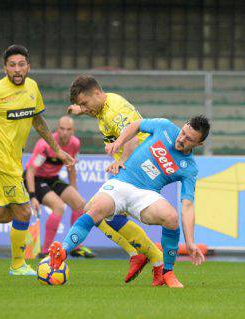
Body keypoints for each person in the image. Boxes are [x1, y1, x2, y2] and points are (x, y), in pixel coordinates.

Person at [49, 116, 210, 288]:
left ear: (198, 144)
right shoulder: (165, 127)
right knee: (95, 209)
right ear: (183, 125)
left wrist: (190, 242)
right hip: (122, 182)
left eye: (189, 139)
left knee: (171, 217)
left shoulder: (190, 168)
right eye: (183, 132)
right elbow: (136, 125)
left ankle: (167, 272)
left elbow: (187, 205)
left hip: (147, 194)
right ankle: (62, 252)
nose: (181, 139)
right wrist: (118, 144)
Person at [0, 44, 75, 276]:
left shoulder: (32, 87)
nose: (17, 69)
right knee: (23, 212)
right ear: (5, 69)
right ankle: (18, 265)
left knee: (5, 215)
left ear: (28, 66)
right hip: (0, 162)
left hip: (14, 161)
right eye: (12, 65)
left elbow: (37, 120)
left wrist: (57, 150)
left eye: (21, 64)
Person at [67, 75, 164, 284]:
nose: (85, 108)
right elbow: (95, 109)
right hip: (137, 163)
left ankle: (151, 257)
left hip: (140, 164)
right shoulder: (102, 106)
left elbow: (132, 137)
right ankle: (149, 259)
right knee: (102, 213)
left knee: (95, 210)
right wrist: (80, 109)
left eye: (84, 103)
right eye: (81, 104)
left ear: (96, 93)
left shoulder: (115, 110)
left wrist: (122, 162)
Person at [25, 115, 95, 259]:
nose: (65, 132)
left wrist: (73, 188)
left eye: (68, 129)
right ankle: (45, 251)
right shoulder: (44, 145)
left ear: (73, 131)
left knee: (80, 203)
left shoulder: (75, 144)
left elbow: (71, 167)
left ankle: (75, 246)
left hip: (52, 178)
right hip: (35, 179)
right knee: (59, 206)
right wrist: (32, 196)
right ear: (57, 129)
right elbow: (31, 172)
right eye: (62, 129)